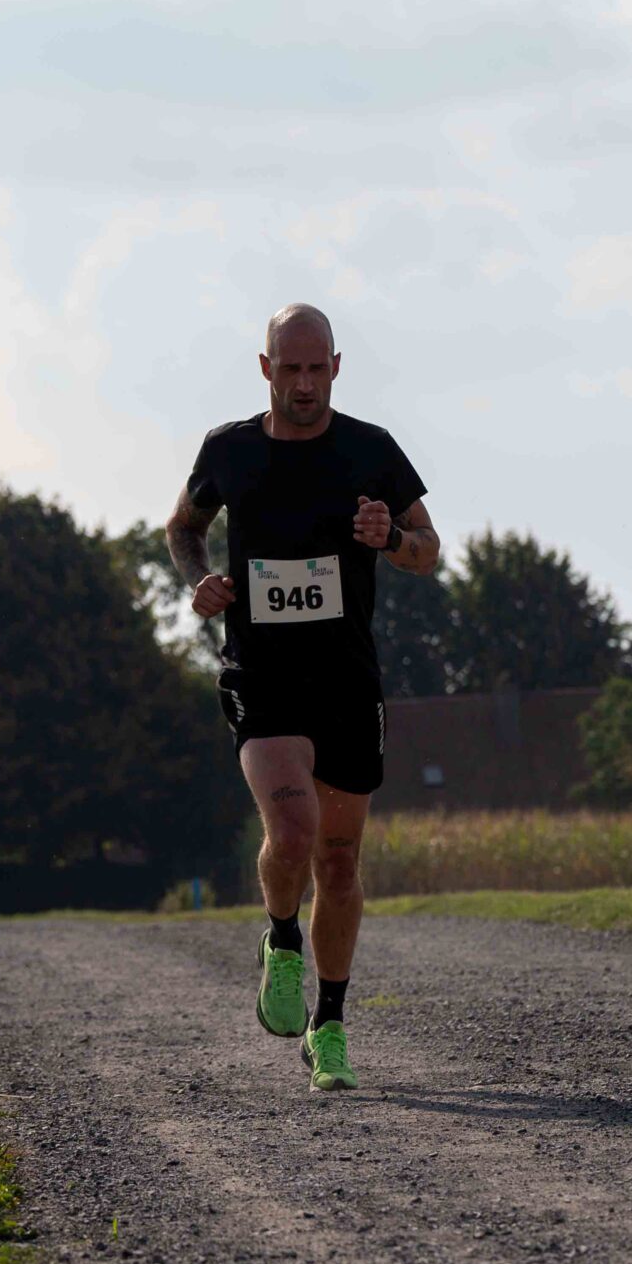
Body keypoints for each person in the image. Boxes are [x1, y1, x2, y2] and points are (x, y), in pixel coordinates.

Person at [164, 304, 439, 1090]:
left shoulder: (371, 450)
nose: (306, 384)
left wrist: (390, 538)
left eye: (318, 368)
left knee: (340, 862)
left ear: (337, 367)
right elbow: (183, 527)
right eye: (291, 369)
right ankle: (282, 937)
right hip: (263, 674)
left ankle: (330, 1025)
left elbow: (428, 548)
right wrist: (200, 579)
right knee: (292, 832)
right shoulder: (230, 450)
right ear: (266, 369)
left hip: (347, 679)